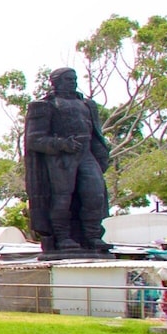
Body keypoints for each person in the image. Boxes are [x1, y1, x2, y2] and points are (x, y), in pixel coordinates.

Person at [23, 67, 112, 258]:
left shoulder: (87, 105)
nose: (72, 82)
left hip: (86, 153)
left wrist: (102, 155)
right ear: (55, 82)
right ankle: (62, 237)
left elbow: (95, 134)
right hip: (61, 157)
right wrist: (62, 144)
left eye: (74, 78)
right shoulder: (45, 105)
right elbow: (34, 140)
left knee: (95, 194)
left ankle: (92, 236)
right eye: (68, 79)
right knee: (63, 198)